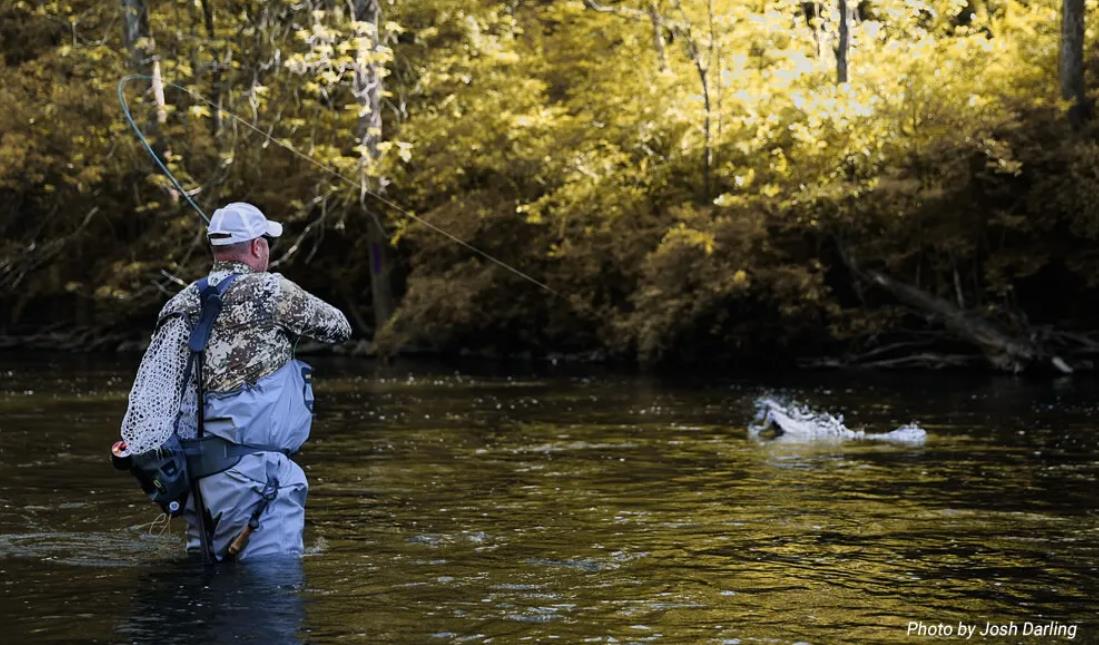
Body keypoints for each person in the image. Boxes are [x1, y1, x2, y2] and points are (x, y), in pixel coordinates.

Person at [120, 202, 351, 560]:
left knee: (211, 589)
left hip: (196, 482)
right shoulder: (273, 292)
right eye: (266, 244)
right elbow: (339, 327)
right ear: (258, 247)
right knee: (271, 595)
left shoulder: (179, 303)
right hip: (254, 479)